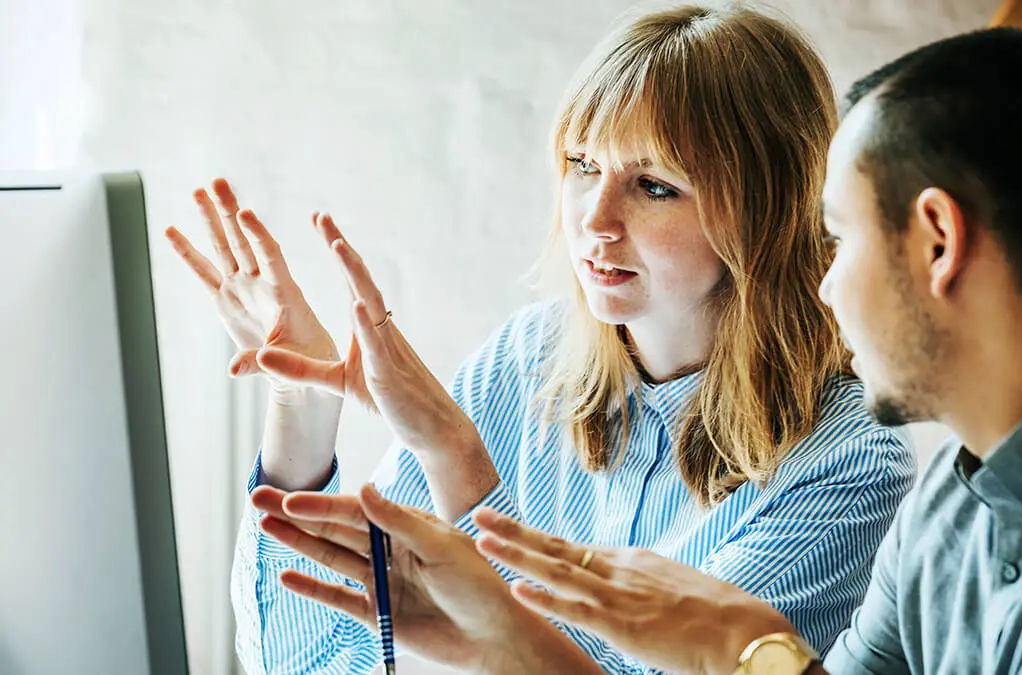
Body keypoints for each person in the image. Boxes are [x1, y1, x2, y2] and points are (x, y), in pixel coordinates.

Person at [258, 25, 1022, 675]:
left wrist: (518, 616)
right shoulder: (961, 490)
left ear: (937, 242)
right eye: (582, 166)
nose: (824, 283)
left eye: (841, 238)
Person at [165, 4, 914, 673]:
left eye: (654, 184)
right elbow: (313, 661)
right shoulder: (526, 359)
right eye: (582, 166)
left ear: (767, 212)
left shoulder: (848, 459)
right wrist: (302, 403)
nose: (594, 218)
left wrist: (458, 462)